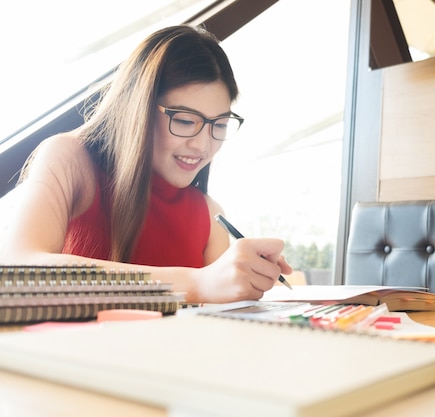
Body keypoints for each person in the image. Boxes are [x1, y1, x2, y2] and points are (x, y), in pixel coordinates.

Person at [0, 25, 292, 303]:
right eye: (185, 120)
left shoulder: (210, 215)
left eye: (219, 124)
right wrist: (196, 283)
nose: (203, 145)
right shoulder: (71, 158)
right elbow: (20, 269)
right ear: (137, 109)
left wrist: (246, 280)